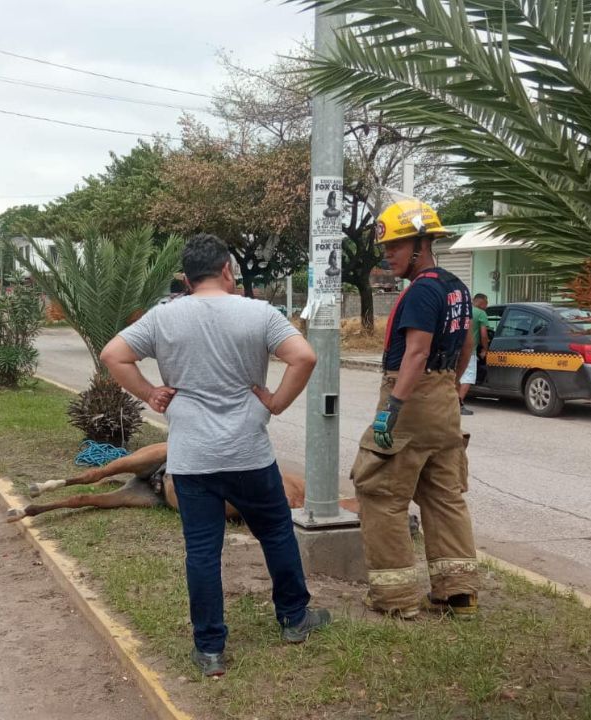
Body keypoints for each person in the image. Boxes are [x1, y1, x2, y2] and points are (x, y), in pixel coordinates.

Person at [100, 234, 330, 679]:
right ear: (228, 270)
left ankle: (209, 650)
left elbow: (113, 355)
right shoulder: (259, 312)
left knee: (202, 552)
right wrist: (276, 402)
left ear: (186, 279)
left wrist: (150, 392)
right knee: (277, 533)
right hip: (249, 452)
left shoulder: (164, 317)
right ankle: (294, 619)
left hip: (192, 459)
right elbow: (304, 356)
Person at [350, 199, 479, 619]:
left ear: (422, 243)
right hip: (444, 403)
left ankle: (395, 598)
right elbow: (467, 345)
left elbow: (416, 353)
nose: (388, 257)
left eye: (397, 247)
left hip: (411, 400)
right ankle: (458, 593)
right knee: (444, 496)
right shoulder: (457, 287)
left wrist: (394, 408)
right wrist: (451, 386)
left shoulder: (422, 291)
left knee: (380, 493)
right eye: (386, 249)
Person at [458, 293, 491, 415]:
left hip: (455, 350)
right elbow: (483, 335)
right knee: (468, 377)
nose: (486, 307)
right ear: (482, 302)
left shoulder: (463, 311)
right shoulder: (481, 313)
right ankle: (459, 404)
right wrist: (485, 349)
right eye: (486, 304)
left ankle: (450, 404)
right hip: (469, 351)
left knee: (457, 377)